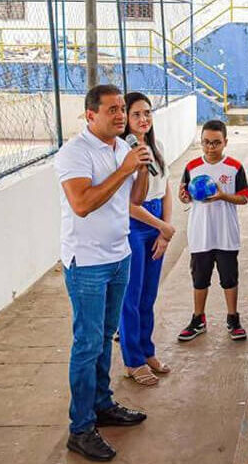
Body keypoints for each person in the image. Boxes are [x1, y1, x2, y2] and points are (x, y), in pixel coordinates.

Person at [54, 84, 152, 461]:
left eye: (122, 109)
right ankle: (80, 428)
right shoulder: (74, 154)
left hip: (118, 255)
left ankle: (102, 404)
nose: (120, 115)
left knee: (104, 336)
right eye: (111, 109)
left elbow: (136, 199)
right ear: (90, 115)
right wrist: (124, 168)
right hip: (88, 263)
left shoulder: (122, 148)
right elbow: (82, 204)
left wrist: (139, 167)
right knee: (87, 343)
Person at [118, 92, 175, 388]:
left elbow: (165, 187)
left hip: (156, 223)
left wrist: (165, 229)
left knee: (149, 295)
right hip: (134, 225)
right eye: (137, 114)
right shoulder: (123, 153)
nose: (144, 119)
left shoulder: (157, 147)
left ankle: (147, 350)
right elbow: (128, 203)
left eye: (148, 113)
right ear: (126, 119)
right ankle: (133, 360)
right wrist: (160, 226)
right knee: (132, 296)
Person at [177, 120, 248, 343]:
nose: (211, 147)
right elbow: (185, 194)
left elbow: (244, 197)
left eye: (216, 143)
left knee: (229, 279)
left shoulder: (235, 167)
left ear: (225, 142)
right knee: (200, 279)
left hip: (226, 234)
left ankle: (233, 318)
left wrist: (222, 196)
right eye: (206, 142)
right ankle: (198, 319)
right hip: (200, 234)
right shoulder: (191, 167)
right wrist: (184, 197)